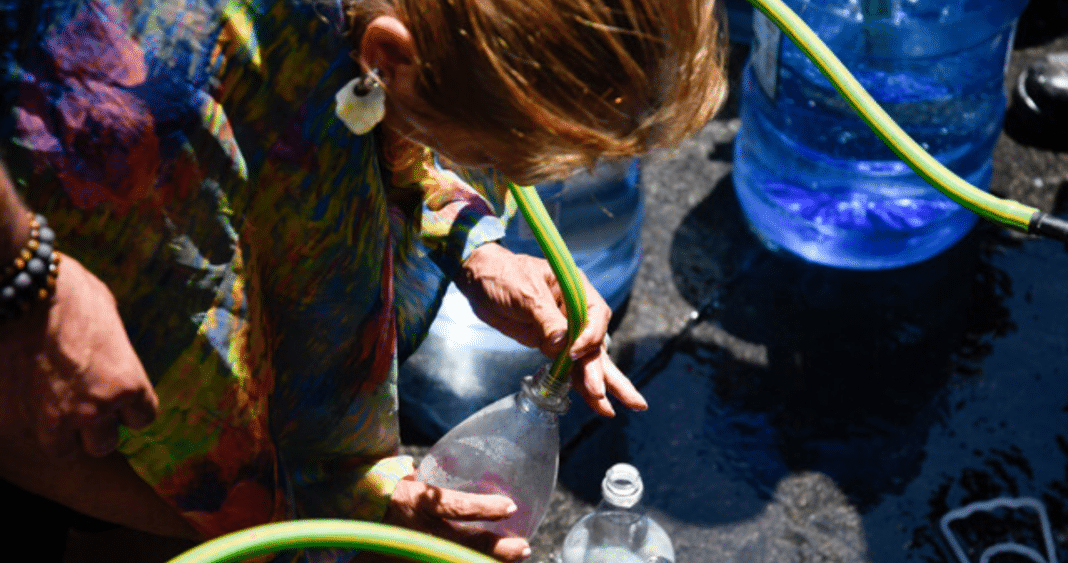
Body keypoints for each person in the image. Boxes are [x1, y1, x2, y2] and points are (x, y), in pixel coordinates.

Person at [0, 0, 728, 561]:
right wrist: (28, 280)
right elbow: (50, 436)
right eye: (490, 155)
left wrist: (477, 246)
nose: (498, 178)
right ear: (387, 54)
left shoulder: (379, 30)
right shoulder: (116, 138)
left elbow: (364, 115)